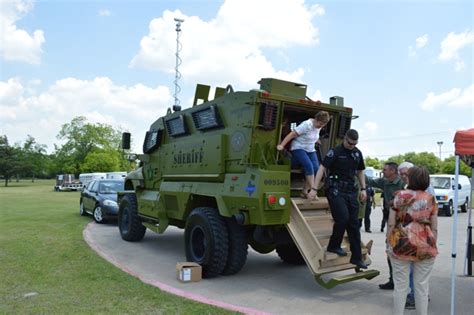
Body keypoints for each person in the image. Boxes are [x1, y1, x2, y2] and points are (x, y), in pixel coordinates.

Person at [312, 129, 368, 269]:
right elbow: (321, 168)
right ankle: (333, 246)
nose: (352, 146)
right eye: (350, 143)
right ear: (345, 139)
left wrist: (363, 189)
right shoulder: (335, 152)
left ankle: (356, 258)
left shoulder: (357, 153)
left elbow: (360, 171)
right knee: (342, 219)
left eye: (355, 143)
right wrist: (314, 188)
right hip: (335, 189)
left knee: (354, 225)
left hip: (350, 190)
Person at [388, 166, 438, 315]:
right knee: (422, 286)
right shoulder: (430, 199)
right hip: (425, 245)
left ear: (411, 179)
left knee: (400, 286)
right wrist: (433, 242)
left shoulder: (398, 195)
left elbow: (391, 223)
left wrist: (388, 242)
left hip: (401, 244)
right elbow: (434, 227)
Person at [367, 162, 405, 290]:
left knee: (401, 251)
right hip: (390, 217)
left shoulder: (402, 184)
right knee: (390, 250)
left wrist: (396, 203)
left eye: (385, 170)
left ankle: (402, 282)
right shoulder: (385, 182)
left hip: (402, 221)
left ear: (393, 171)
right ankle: (393, 280)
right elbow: (370, 181)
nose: (383, 172)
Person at [277, 111, 330, 198]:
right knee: (308, 166)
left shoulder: (319, 126)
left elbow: (312, 134)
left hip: (310, 149)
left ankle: (305, 191)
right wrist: (281, 145)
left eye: (323, 125)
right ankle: (313, 192)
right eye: (320, 124)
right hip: (299, 148)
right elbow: (291, 135)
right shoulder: (306, 125)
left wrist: (316, 140)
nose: (321, 126)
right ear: (316, 119)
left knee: (316, 168)